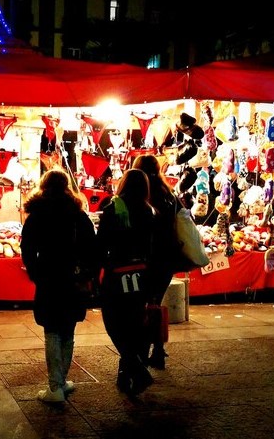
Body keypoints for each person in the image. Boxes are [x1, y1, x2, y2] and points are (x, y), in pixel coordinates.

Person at [21, 169, 98, 403]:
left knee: (52, 330)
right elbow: (91, 247)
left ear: (43, 186)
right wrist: (87, 274)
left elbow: (27, 249)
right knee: (68, 329)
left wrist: (35, 273)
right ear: (67, 187)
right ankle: (60, 382)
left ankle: (55, 386)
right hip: (73, 278)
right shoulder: (78, 214)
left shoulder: (36, 214)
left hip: (48, 277)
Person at [97, 168, 155, 396]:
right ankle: (128, 370)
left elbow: (102, 243)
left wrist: (96, 270)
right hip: (142, 273)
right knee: (136, 321)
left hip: (117, 272)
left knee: (114, 322)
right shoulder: (148, 211)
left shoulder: (112, 209)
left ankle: (134, 365)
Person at [131, 154, 178, 369]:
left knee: (141, 304)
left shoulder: (139, 194)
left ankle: (141, 350)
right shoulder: (168, 193)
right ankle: (158, 349)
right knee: (156, 302)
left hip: (144, 257)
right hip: (166, 257)